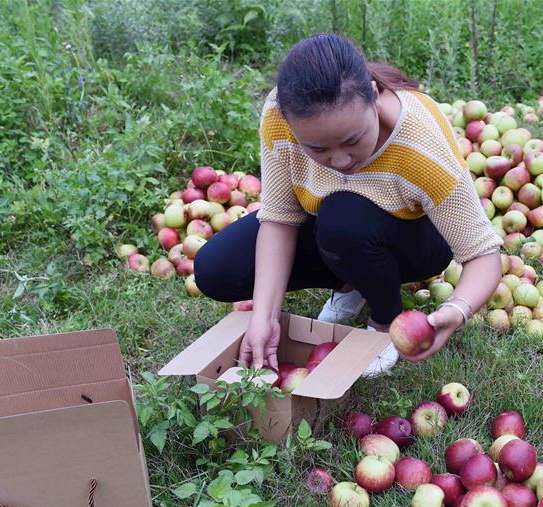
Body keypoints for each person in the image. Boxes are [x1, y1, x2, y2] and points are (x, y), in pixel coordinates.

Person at [194, 33, 502, 376]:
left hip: (417, 239)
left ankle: (384, 320)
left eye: (352, 139)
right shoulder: (279, 118)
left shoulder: (421, 145)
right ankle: (352, 280)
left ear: (373, 94)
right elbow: (280, 219)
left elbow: (483, 256)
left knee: (344, 220)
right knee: (216, 269)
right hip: (335, 224)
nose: (339, 160)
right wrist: (265, 317)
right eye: (317, 149)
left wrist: (457, 309)